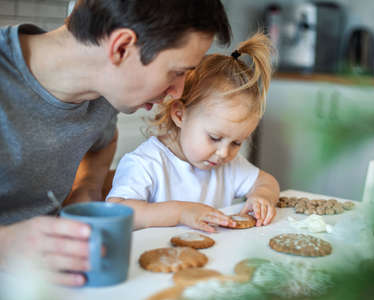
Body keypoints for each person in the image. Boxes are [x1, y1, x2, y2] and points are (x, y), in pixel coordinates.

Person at [0, 0, 231, 286]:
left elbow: (103, 141)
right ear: (121, 48)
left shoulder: (102, 92)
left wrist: (87, 187)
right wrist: (6, 243)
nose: (178, 91)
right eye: (177, 72)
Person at [106, 32, 280, 233]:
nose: (224, 152)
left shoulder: (227, 165)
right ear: (180, 115)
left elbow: (267, 181)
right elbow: (117, 213)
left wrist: (262, 196)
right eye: (215, 137)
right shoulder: (146, 164)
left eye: (237, 143)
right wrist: (181, 212)